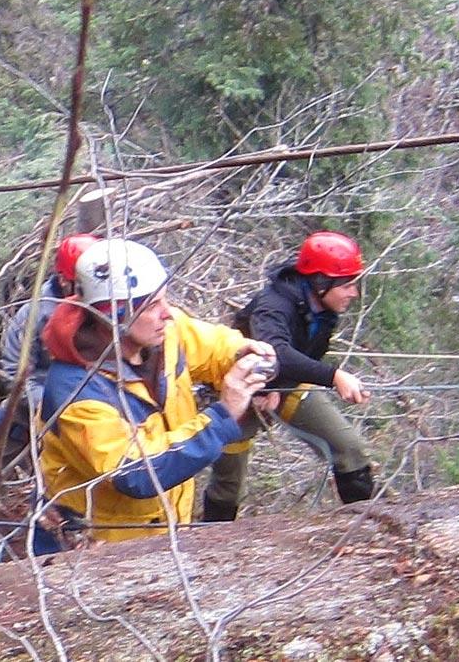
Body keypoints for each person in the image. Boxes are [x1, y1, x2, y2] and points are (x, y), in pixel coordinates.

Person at [37, 239, 277, 544]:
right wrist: (223, 415)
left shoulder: (164, 333)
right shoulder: (77, 392)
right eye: (152, 305)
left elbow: (215, 346)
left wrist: (245, 355)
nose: (168, 313)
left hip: (166, 527)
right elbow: (134, 473)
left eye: (164, 299)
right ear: (113, 315)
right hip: (99, 545)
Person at [202, 231, 376, 521]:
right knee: (228, 486)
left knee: (350, 450)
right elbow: (276, 352)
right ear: (321, 282)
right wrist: (335, 377)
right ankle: (210, 547)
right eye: (347, 285)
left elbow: (302, 358)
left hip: (283, 387)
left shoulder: (323, 311)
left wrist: (278, 388)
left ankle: (361, 526)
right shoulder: (273, 306)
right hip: (237, 392)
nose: (353, 293)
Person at [0, 233, 100, 506]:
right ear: (64, 279)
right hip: (34, 407)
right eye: (83, 284)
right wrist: (46, 405)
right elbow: (15, 371)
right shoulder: (35, 314)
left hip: (94, 409)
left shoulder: (107, 307)